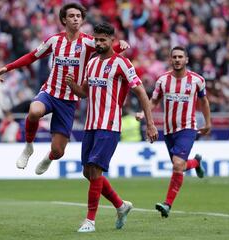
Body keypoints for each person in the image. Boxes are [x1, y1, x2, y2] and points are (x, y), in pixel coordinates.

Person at [0, 3, 129, 174]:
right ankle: (28, 147)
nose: (75, 19)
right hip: (50, 92)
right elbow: (32, 56)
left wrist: (120, 45)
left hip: (69, 100)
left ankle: (49, 158)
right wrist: (8, 67)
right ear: (64, 20)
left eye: (78, 16)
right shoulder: (54, 40)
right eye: (72, 16)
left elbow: (106, 51)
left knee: (58, 151)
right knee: (34, 111)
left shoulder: (88, 42)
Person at [65, 22, 158, 233]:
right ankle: (121, 205)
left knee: (96, 170)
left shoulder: (122, 63)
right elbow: (84, 93)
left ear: (111, 41)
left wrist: (150, 123)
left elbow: (141, 92)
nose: (98, 43)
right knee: (88, 173)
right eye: (96, 39)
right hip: (91, 125)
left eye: (102, 40)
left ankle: (90, 221)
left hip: (110, 125)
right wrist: (73, 86)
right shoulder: (91, 63)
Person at [136, 46, 211, 218]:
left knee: (177, 164)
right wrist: (143, 112)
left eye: (180, 57)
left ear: (186, 60)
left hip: (187, 128)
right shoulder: (162, 80)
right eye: (174, 57)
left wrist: (208, 123)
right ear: (171, 60)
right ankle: (196, 163)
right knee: (181, 166)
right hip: (169, 130)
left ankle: (167, 204)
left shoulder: (197, 80)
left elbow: (204, 101)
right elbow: (154, 101)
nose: (177, 60)